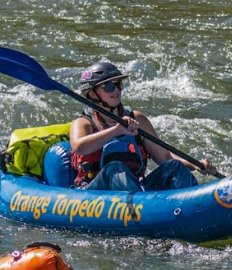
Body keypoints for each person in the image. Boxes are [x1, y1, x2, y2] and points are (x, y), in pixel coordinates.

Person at [69, 61, 216, 192]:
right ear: (92, 94)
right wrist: (116, 130)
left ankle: (194, 208)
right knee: (116, 168)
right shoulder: (84, 123)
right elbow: (79, 146)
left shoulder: (137, 119)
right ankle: (141, 215)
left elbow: (164, 156)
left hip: (135, 190)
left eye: (118, 84)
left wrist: (195, 165)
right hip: (94, 194)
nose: (116, 90)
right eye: (108, 86)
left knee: (174, 166)